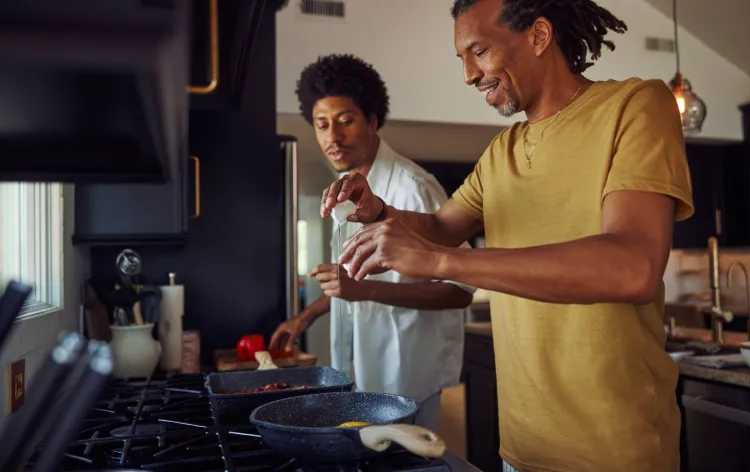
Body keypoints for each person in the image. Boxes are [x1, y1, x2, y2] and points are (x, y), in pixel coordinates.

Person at [319, 1, 694, 471]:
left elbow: (632, 267)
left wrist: (440, 262)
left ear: (539, 36)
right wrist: (377, 211)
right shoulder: (503, 150)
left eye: (478, 51)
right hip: (520, 447)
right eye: (461, 59)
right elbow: (440, 228)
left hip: (614, 450)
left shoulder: (635, 105)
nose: (468, 75)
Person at [269, 53, 475, 432]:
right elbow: (351, 280)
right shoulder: (345, 190)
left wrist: (364, 291)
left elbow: (460, 290)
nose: (332, 137)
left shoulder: (412, 188)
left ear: (373, 121)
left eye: (345, 121)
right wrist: (306, 316)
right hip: (361, 369)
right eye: (322, 124)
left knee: (405, 459)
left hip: (408, 375)